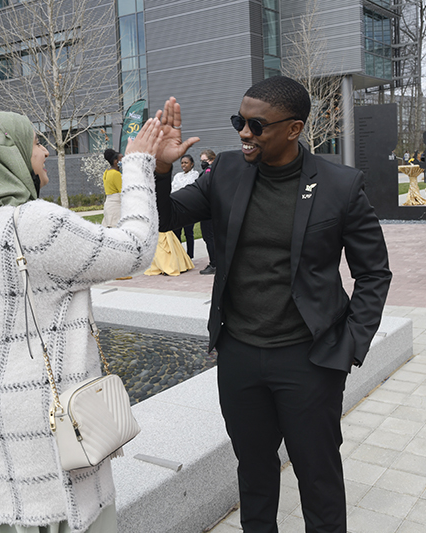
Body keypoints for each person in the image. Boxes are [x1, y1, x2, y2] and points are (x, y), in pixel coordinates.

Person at [152, 76, 392, 533]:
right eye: (239, 121)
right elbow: (166, 218)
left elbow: (374, 273)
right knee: (254, 474)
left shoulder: (340, 186)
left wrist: (350, 346)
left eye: (256, 125)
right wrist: (161, 172)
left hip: (309, 359)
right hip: (239, 355)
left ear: (294, 128)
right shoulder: (224, 171)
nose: (244, 132)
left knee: (318, 477)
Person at [0, 111, 162, 532]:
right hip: (42, 415)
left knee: (2, 517)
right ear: (9, 155)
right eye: (36, 142)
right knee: (62, 516)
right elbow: (135, 249)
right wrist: (136, 164)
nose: (45, 150)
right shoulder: (35, 222)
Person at [171, 154, 199, 258]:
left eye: (186, 163)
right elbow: (173, 190)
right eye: (182, 162)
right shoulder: (178, 175)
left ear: (192, 164)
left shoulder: (195, 175)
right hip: (177, 209)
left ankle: (190, 256)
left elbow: (188, 189)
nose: (183, 165)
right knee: (176, 233)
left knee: (188, 233)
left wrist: (180, 190)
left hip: (188, 209)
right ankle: (179, 256)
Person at [198, 149, 217, 275]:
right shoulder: (219, 170)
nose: (204, 163)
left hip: (208, 210)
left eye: (205, 161)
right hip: (215, 209)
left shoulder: (208, 172)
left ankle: (214, 264)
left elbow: (203, 188)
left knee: (209, 238)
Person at [102, 148, 123, 227]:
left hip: (108, 206)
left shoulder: (106, 172)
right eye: (121, 159)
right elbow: (123, 192)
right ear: (115, 162)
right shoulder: (116, 174)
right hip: (116, 208)